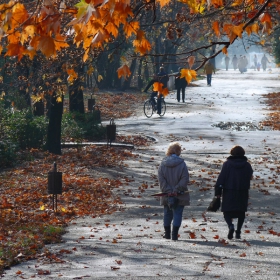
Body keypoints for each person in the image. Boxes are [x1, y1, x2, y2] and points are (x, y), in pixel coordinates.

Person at [214, 146, 253, 240]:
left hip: (229, 190)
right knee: (241, 212)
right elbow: (249, 175)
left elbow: (222, 178)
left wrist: (218, 191)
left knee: (227, 211)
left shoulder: (227, 164)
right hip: (242, 191)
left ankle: (230, 226)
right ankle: (238, 232)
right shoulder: (247, 165)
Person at [158, 142, 190, 241]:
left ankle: (167, 233)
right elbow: (185, 178)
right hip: (179, 194)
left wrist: (168, 190)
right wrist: (177, 190)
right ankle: (174, 234)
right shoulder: (182, 164)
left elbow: (161, 179)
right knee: (178, 212)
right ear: (178, 151)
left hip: (166, 194)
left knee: (167, 212)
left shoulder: (162, 164)